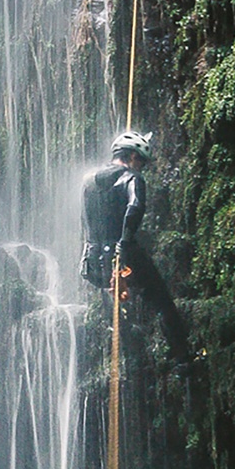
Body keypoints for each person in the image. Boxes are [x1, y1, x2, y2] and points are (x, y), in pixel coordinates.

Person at [80, 130, 191, 364]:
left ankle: (128, 353)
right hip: (122, 257)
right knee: (159, 298)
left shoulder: (89, 181)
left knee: (118, 301)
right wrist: (125, 243)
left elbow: (86, 221)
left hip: (94, 262)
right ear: (132, 156)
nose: (141, 167)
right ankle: (183, 357)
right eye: (140, 161)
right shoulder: (132, 177)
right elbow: (135, 206)